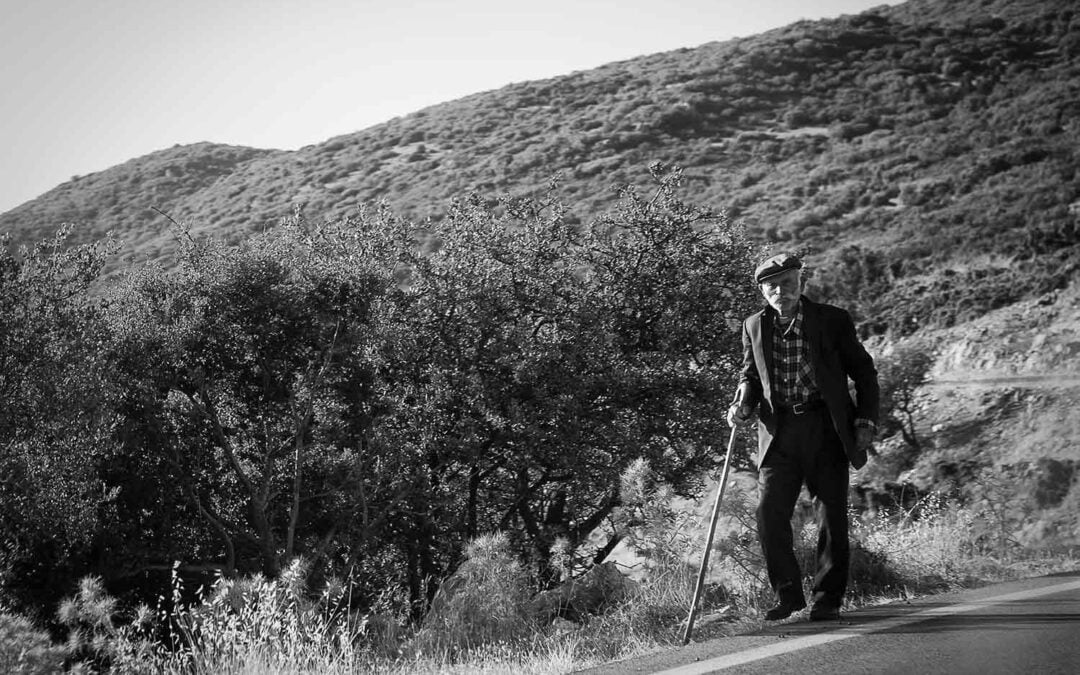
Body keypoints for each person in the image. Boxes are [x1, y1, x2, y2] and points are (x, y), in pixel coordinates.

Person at [727, 252, 879, 621]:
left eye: (788, 283)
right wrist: (741, 403)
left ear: (802, 283)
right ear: (762, 291)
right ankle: (788, 595)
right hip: (779, 433)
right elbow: (750, 375)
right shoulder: (753, 326)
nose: (781, 291)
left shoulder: (831, 320)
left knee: (830, 517)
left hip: (825, 427)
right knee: (769, 515)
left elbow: (863, 371)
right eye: (773, 286)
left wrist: (866, 421)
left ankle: (827, 599)